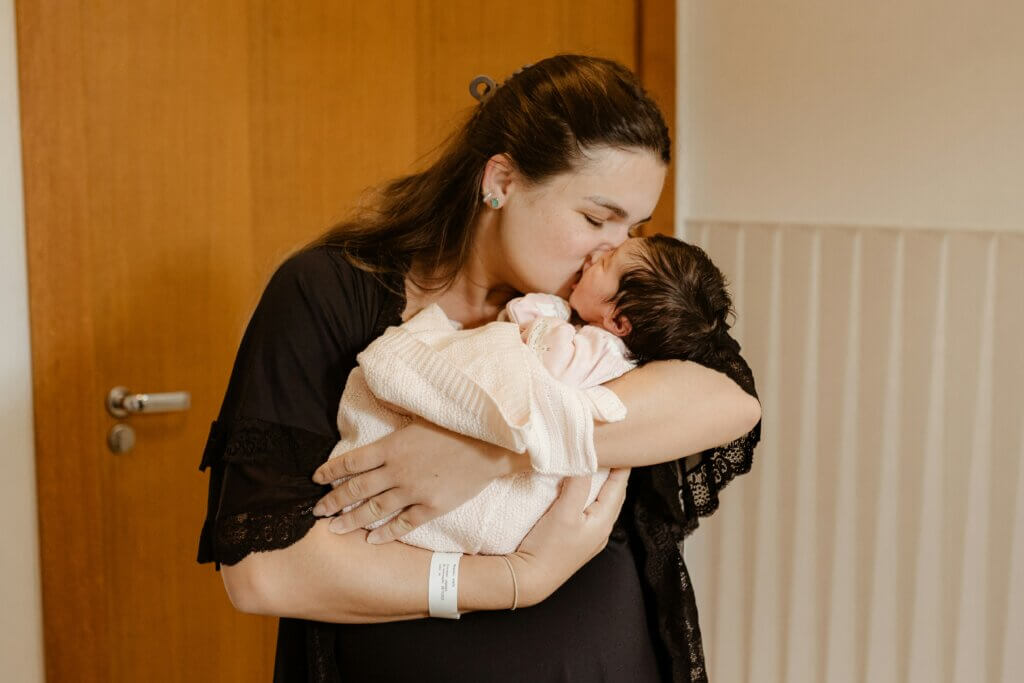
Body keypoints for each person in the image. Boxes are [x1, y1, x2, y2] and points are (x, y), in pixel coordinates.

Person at [197, 54, 762, 682]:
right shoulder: (329, 292)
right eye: (596, 217)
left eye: (635, 226)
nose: (616, 247)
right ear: (501, 180)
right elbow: (260, 572)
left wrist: (492, 447)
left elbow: (731, 401)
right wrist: (516, 578)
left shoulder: (600, 306)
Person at [321, 234, 738, 559]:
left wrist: (539, 315)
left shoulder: (599, 351)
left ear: (618, 320)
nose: (597, 254)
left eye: (607, 263)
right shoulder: (603, 341)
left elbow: (543, 364)